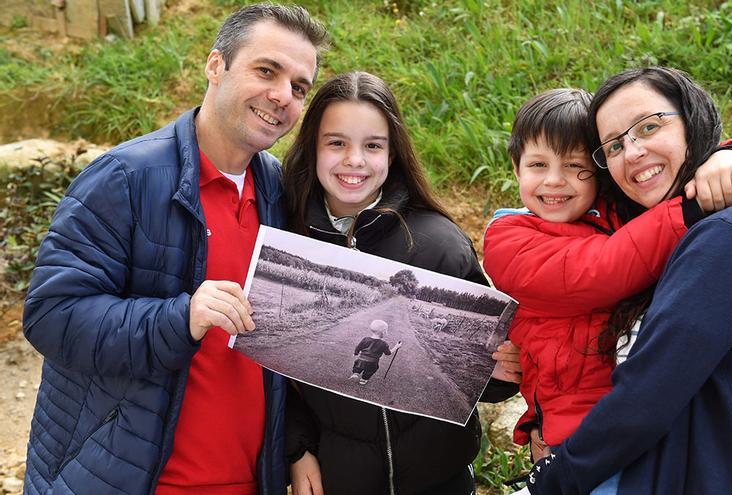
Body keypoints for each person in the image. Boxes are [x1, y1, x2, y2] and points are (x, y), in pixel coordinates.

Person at [21, 4, 328, 494]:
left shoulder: (279, 189)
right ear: (215, 65)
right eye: (266, 70)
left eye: (298, 87)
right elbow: (50, 315)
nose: (281, 96)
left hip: (250, 481)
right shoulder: (124, 178)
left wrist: (293, 443)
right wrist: (179, 319)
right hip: (131, 481)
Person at [525, 67, 732, 494]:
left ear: (692, 120)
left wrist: (553, 479)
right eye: (615, 145)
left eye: (648, 126)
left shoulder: (727, 239)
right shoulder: (682, 240)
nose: (634, 151)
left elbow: (646, 395)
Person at [281, 71, 521, 495]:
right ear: (312, 148)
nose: (354, 160)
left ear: (393, 155)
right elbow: (266, 371)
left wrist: (501, 371)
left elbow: (490, 378)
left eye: (373, 145)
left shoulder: (438, 245)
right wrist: (296, 448)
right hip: (340, 478)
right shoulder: (286, 242)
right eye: (336, 142)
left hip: (440, 478)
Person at [350, 319, 403, 385]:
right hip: (372, 362)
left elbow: (358, 347)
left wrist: (355, 353)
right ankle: (363, 380)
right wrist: (396, 347)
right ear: (383, 332)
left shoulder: (365, 339)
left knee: (358, 366)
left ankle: (356, 373)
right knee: (370, 371)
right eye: (386, 331)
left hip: (361, 359)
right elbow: (388, 353)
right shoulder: (383, 344)